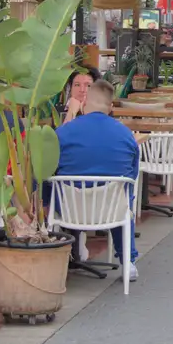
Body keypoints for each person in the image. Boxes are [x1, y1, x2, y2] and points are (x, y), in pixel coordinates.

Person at [53, 79, 140, 281]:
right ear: (110, 108)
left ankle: (52, 257)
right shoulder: (126, 136)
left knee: (51, 186)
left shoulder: (63, 133)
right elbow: (131, 177)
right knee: (121, 195)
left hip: (69, 210)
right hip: (111, 211)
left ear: (84, 104)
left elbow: (50, 172)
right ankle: (128, 260)